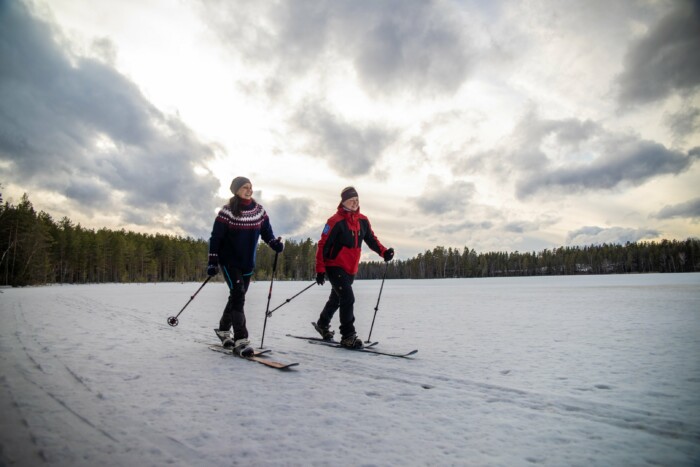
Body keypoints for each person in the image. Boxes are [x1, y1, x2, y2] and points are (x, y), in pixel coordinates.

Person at [207, 176, 284, 356]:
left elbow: (267, 233)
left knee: (236, 296)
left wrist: (274, 244)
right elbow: (216, 238)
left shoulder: (259, 211)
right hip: (229, 262)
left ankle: (223, 329)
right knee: (238, 295)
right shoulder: (227, 212)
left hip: (247, 263)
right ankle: (241, 340)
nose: (249, 190)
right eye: (244, 187)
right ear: (236, 191)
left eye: (250, 187)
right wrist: (212, 261)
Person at [313, 186, 394, 349]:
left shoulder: (363, 220)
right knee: (348, 298)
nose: (355, 203)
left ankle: (322, 323)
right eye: (351, 200)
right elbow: (323, 245)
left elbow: (372, 240)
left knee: (336, 299)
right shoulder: (334, 221)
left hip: (351, 268)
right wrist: (320, 269)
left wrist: (384, 252)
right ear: (343, 202)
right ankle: (348, 336)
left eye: (357, 200)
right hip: (334, 265)